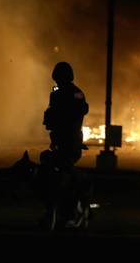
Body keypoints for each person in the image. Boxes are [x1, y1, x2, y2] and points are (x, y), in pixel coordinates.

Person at [42, 61, 90, 227]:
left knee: (65, 178)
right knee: (54, 176)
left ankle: (70, 213)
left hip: (70, 141)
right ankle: (58, 214)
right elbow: (51, 115)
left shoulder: (74, 94)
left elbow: (77, 113)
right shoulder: (58, 93)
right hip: (59, 140)